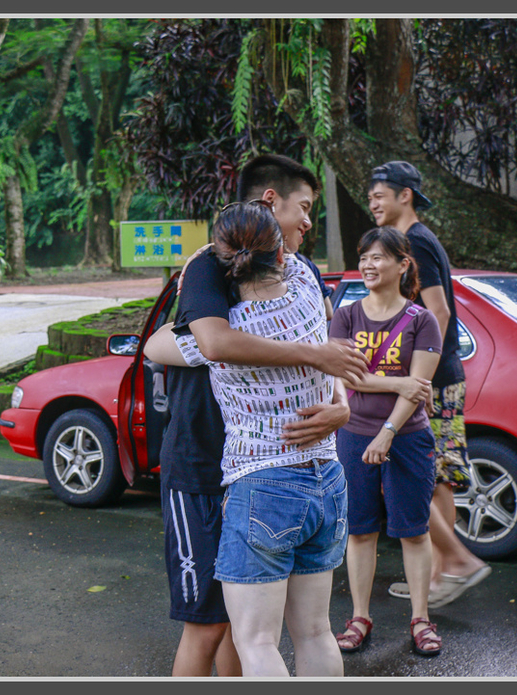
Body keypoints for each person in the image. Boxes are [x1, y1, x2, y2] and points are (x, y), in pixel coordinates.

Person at [156, 154, 366, 677]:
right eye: (305, 209)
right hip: (299, 477)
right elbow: (319, 347)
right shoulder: (287, 283)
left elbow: (175, 345)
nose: (309, 224)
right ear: (271, 208)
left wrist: (339, 408)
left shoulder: (256, 307)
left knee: (254, 641)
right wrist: (321, 364)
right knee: (308, 630)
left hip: (261, 481)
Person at [366, 161, 490, 608]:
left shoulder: (416, 240)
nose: (372, 203)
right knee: (436, 477)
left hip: (431, 381)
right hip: (437, 376)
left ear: (406, 195)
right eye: (371, 196)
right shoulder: (413, 239)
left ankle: (452, 565)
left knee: (423, 475)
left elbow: (438, 311)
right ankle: (440, 575)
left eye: (380, 194)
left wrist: (411, 375)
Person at [330, 226, 443, 657]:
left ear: (402, 264)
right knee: (359, 532)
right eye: (364, 257)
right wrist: (398, 383)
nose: (368, 265)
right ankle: (359, 616)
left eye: (378, 257)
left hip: (407, 437)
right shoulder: (346, 316)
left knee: (413, 532)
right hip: (353, 435)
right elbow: (346, 376)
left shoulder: (421, 319)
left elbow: (419, 389)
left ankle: (421, 619)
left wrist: (388, 432)